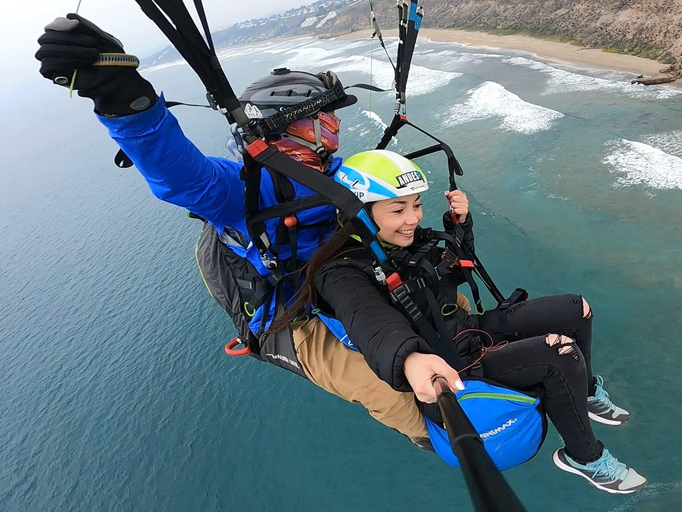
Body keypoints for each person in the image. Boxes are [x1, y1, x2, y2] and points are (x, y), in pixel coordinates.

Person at [35, 14, 431, 445]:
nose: (335, 129)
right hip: (292, 318)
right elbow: (180, 176)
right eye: (325, 119)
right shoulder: (241, 189)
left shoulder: (334, 174)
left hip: (345, 284)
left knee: (444, 301)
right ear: (292, 128)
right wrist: (120, 95)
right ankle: (442, 436)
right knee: (389, 391)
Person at [275, 149, 648, 494]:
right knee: (560, 353)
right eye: (398, 209)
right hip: (453, 366)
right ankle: (586, 458)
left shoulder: (400, 243)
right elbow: (368, 321)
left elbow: (456, 263)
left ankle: (583, 394)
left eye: (417, 205)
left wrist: (461, 224)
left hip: (469, 331)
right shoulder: (339, 272)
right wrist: (409, 357)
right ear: (361, 213)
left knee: (575, 308)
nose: (413, 218)